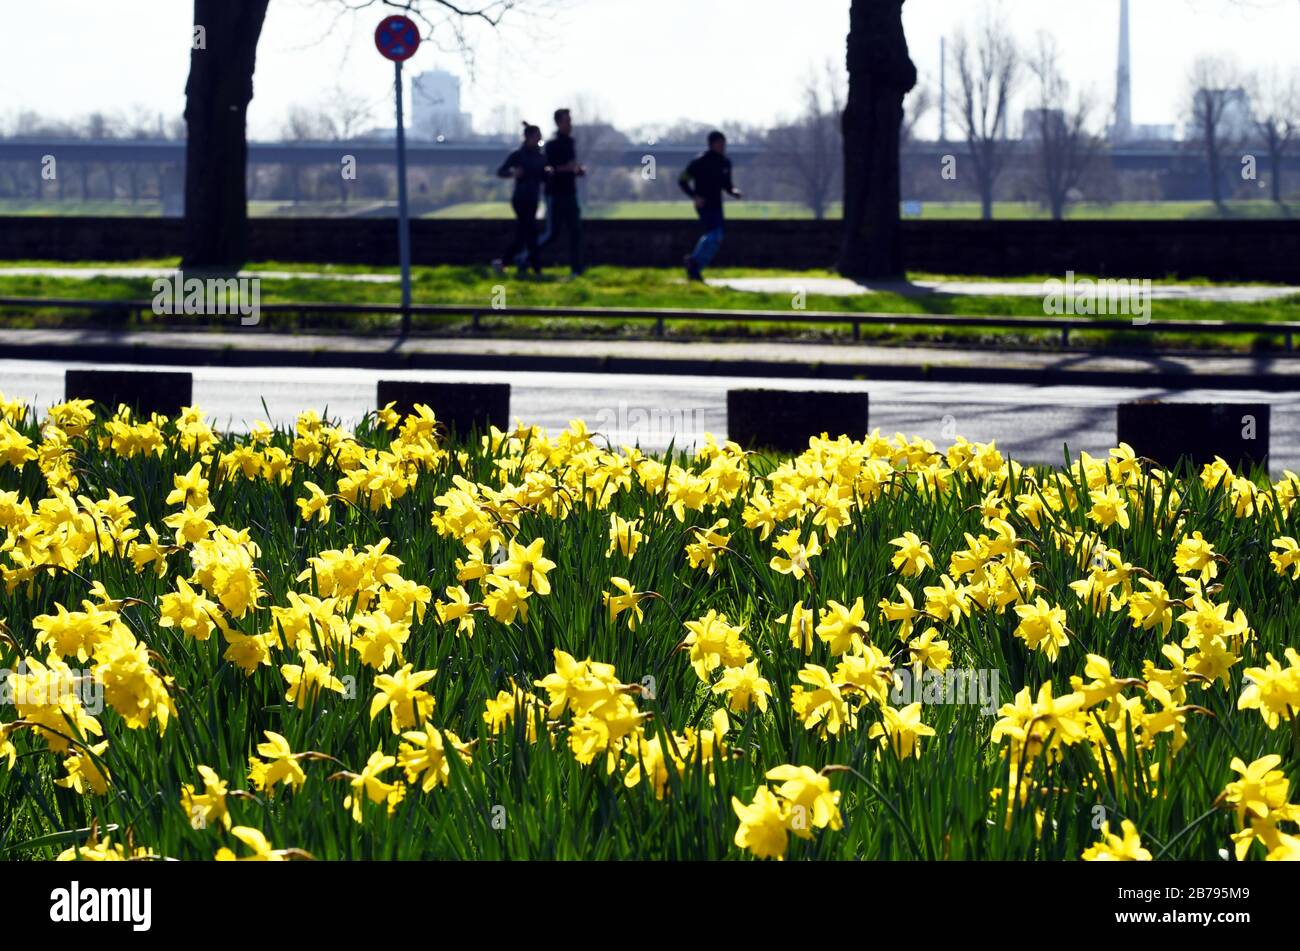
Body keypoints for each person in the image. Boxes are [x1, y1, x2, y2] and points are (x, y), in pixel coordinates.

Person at [678, 131, 742, 282]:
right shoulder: (699, 162)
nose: (723, 147)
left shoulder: (726, 163)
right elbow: (682, 180)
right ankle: (694, 262)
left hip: (717, 204)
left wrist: (734, 192)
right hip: (703, 204)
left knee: (717, 237)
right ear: (712, 144)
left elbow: (727, 185)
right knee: (714, 234)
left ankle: (695, 266)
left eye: (724, 144)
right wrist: (694, 196)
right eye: (720, 144)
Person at [493, 123, 547, 278]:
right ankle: (535, 269)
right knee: (530, 233)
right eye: (537, 136)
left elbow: (544, 176)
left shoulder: (541, 157)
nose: (539, 139)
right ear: (528, 137)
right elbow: (501, 171)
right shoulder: (517, 155)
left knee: (524, 234)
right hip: (520, 198)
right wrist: (513, 173)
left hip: (533, 198)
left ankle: (505, 262)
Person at [537, 108, 586, 277]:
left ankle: (576, 270)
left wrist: (577, 170)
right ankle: (525, 257)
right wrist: (567, 169)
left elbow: (571, 165)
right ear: (559, 123)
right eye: (567, 121)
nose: (570, 124)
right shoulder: (551, 145)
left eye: (570, 120)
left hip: (570, 192)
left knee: (576, 231)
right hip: (555, 194)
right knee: (552, 233)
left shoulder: (570, 142)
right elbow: (547, 169)